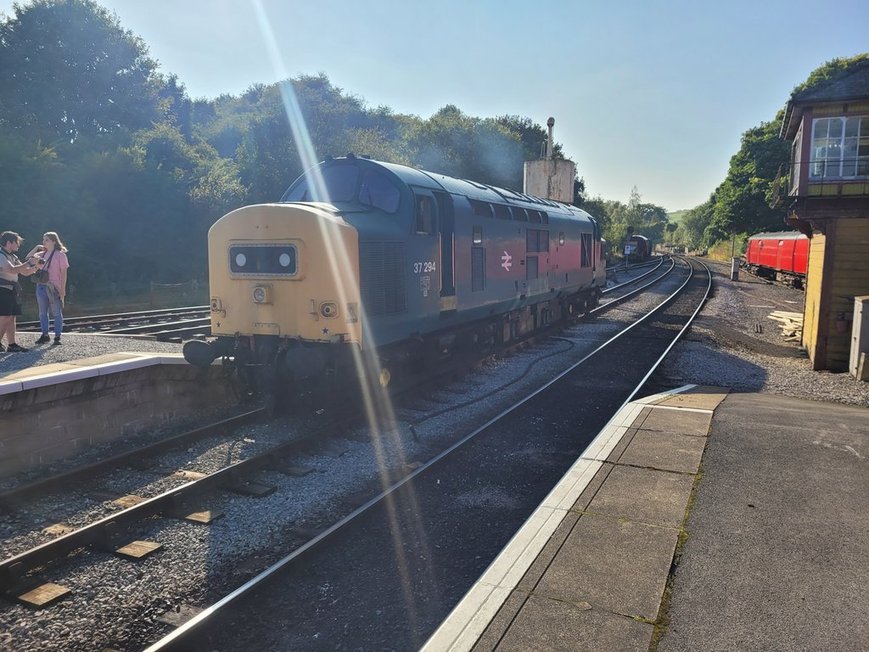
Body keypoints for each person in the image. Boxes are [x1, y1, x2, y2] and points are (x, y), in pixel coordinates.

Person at [27, 232, 69, 345]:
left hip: (54, 286)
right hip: (41, 286)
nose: (44, 242)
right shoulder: (41, 254)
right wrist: (36, 248)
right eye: (43, 239)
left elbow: (64, 273)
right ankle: (45, 335)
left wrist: (62, 289)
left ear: (54, 241)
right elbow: (28, 259)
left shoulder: (60, 255)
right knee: (42, 312)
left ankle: (57, 336)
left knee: (56, 312)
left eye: (46, 240)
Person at [0, 231, 38, 352]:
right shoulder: (1, 255)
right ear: (9, 242)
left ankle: (12, 344)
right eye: (17, 242)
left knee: (11, 317)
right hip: (2, 289)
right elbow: (11, 270)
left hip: (12, 289)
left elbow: (24, 271)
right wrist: (29, 263)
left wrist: (36, 266)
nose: (18, 245)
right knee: (5, 317)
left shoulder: (13, 256)